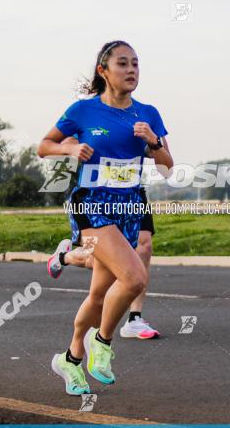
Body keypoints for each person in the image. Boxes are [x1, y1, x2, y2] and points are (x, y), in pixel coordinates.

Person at [37, 40, 172, 395]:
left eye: (136, 64)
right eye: (123, 64)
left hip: (127, 208)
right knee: (133, 278)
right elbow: (44, 145)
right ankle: (103, 343)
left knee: (99, 294)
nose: (131, 70)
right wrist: (68, 147)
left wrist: (154, 141)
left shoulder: (148, 113)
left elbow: (167, 167)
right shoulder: (83, 111)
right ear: (104, 71)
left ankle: (69, 359)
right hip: (91, 204)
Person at [48, 137, 160, 341]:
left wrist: (152, 144)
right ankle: (63, 257)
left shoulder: (138, 115)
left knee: (144, 247)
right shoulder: (88, 114)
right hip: (97, 195)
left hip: (132, 193)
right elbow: (59, 144)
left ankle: (135, 319)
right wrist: (73, 148)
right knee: (96, 261)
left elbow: (159, 155)